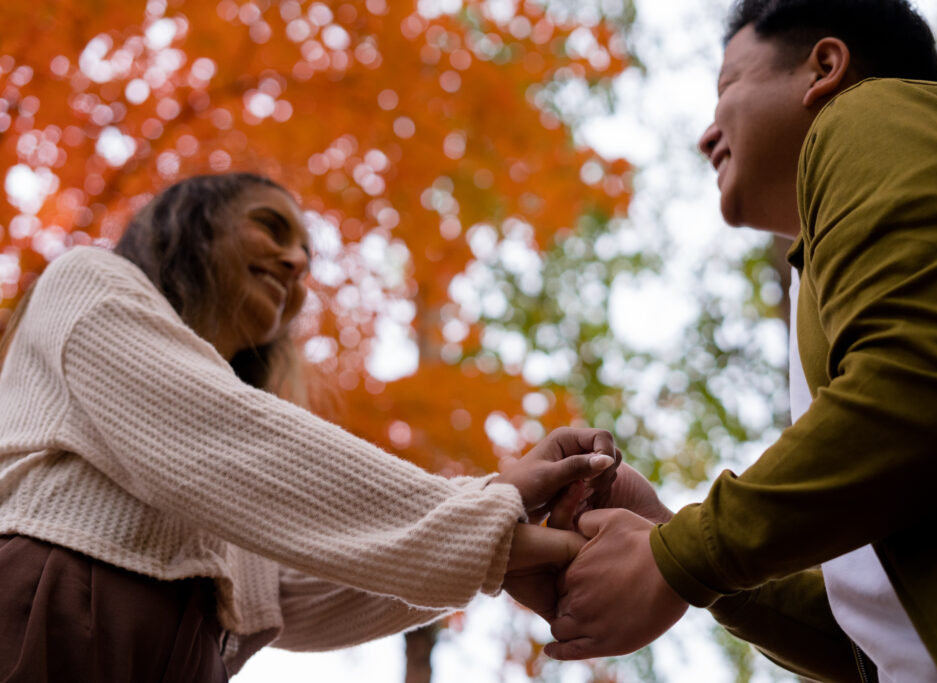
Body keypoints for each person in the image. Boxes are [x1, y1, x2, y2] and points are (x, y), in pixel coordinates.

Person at [543, 0, 937, 681]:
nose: (707, 136)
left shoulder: (874, 112)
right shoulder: (820, 285)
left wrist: (678, 558)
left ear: (825, 69)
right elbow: (877, 637)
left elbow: (925, 388)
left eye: (727, 88)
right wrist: (664, 538)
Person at [0, 172, 619, 681]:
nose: (296, 262)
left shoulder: (234, 492)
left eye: (305, 254)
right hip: (52, 627)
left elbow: (297, 591)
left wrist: (507, 525)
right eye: (271, 227)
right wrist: (491, 521)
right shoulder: (86, 280)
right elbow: (218, 435)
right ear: (191, 225)